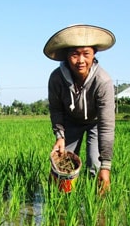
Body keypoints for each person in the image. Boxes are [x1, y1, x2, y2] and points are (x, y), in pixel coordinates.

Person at [44, 24, 116, 193]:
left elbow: (107, 124)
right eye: (75, 54)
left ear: (94, 54)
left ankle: (98, 212)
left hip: (95, 123)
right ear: (67, 56)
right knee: (62, 167)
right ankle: (62, 209)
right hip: (70, 122)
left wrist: (106, 166)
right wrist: (60, 136)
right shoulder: (56, 78)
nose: (81, 60)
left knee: (95, 167)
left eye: (86, 54)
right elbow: (56, 110)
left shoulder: (103, 81)